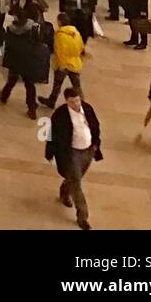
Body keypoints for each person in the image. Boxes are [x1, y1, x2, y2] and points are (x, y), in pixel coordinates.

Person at [45, 87, 103, 231]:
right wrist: (50, 152)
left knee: (75, 177)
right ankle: (83, 216)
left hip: (88, 151)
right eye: (72, 102)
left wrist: (95, 145)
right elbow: (52, 134)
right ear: (67, 101)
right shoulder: (60, 115)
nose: (76, 104)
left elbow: (95, 126)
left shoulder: (87, 109)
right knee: (76, 183)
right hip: (71, 154)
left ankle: (65, 190)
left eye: (77, 101)